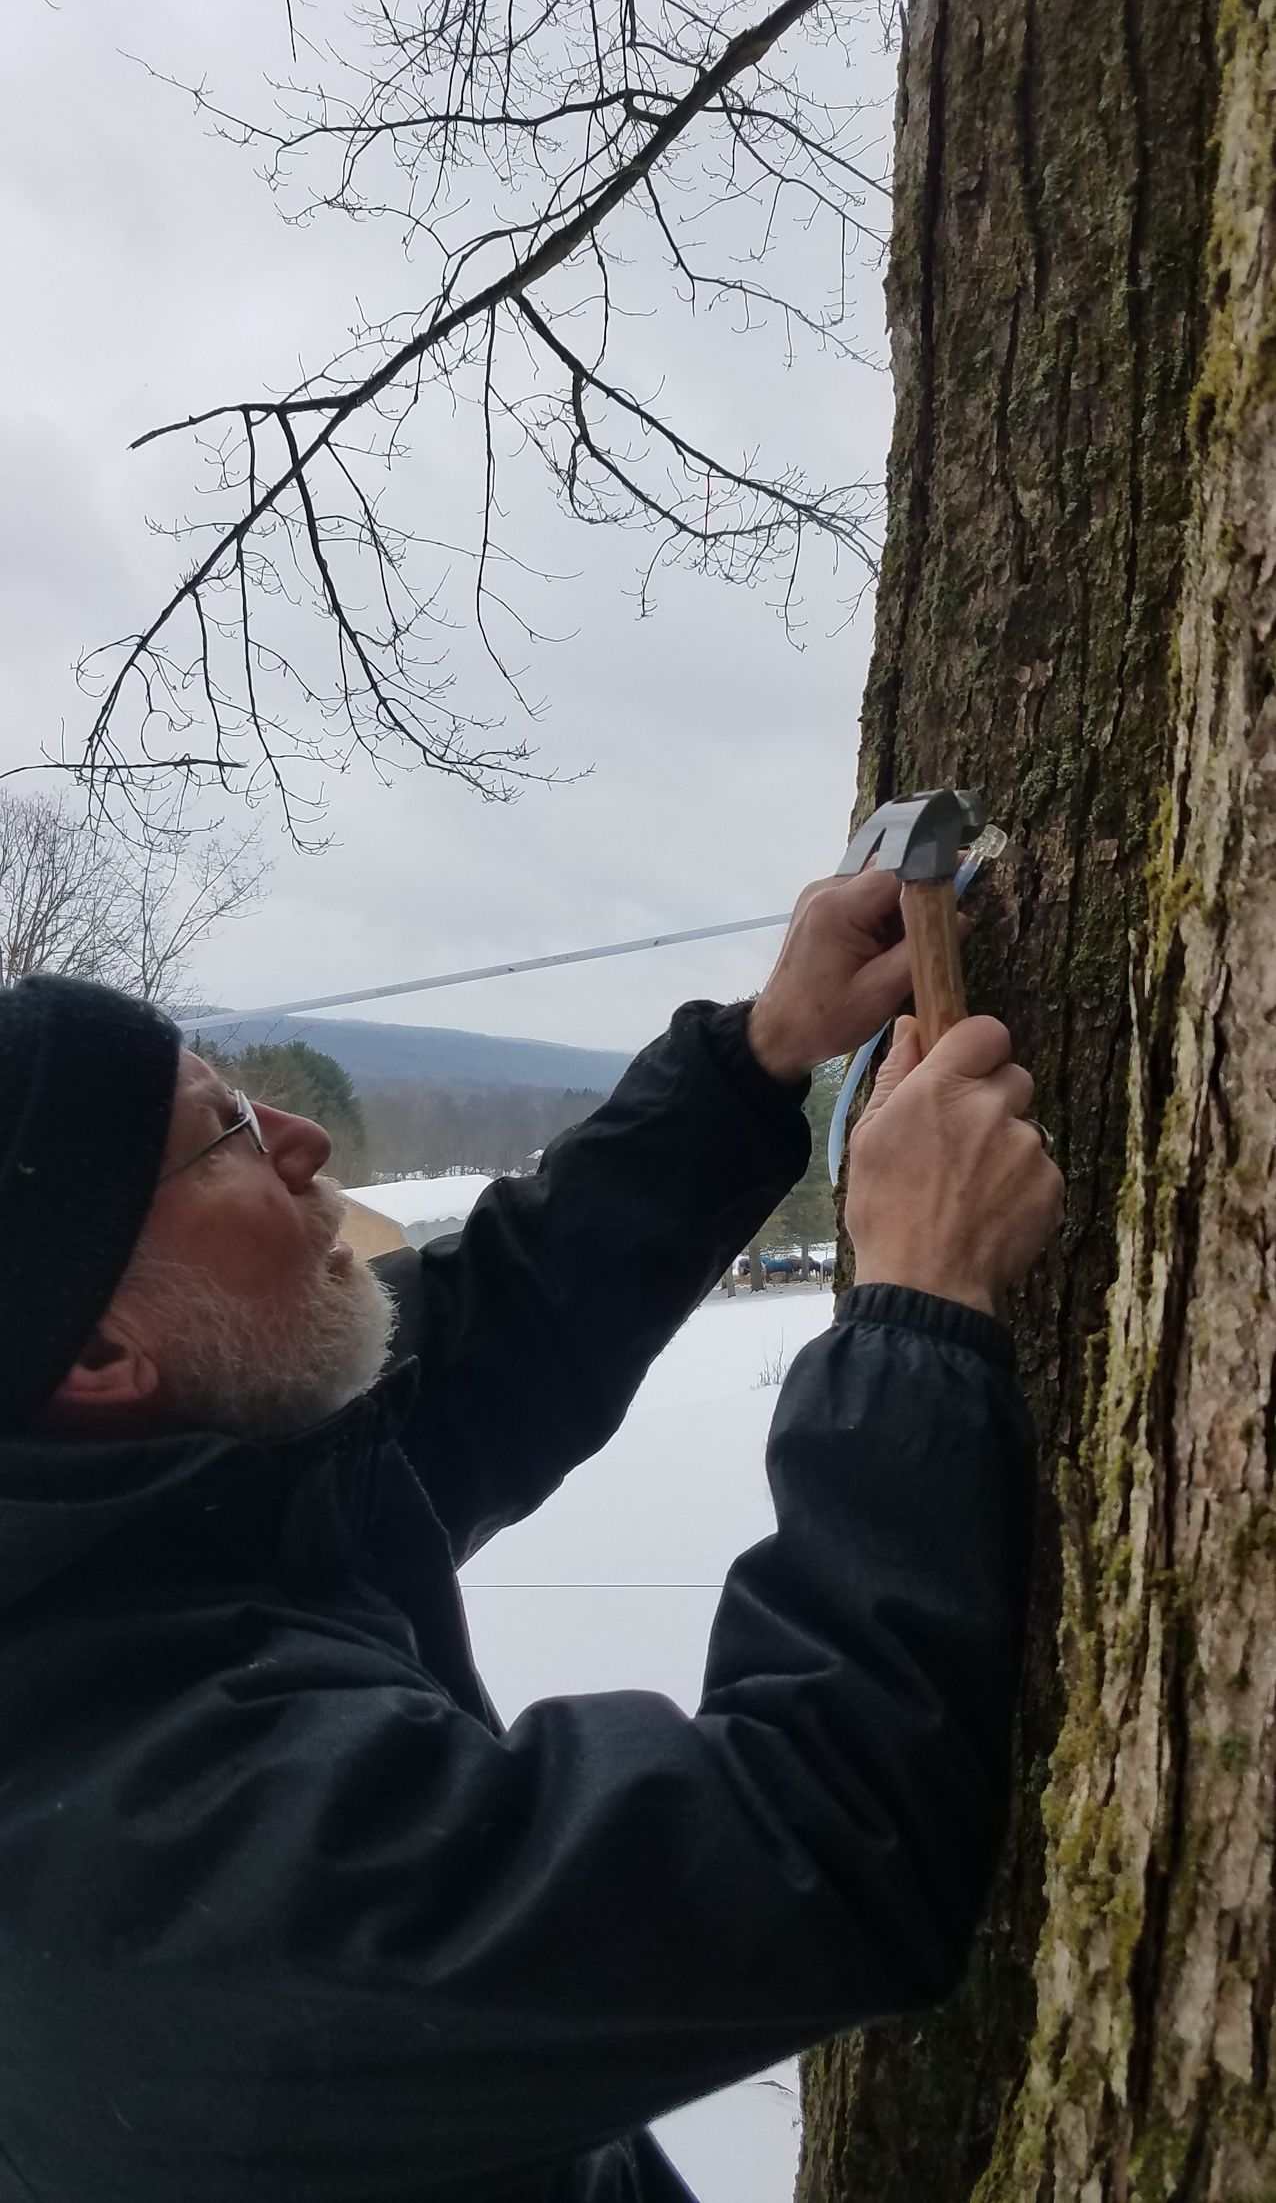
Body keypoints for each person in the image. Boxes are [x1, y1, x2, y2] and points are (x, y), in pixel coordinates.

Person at [0, 867, 1063, 2203]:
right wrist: (921, 1303)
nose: (301, 1136)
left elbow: (496, 1325)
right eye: (221, 1136)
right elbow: (810, 1852)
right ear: (101, 1347)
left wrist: (756, 1058)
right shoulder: (146, 1868)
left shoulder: (152, 1494)